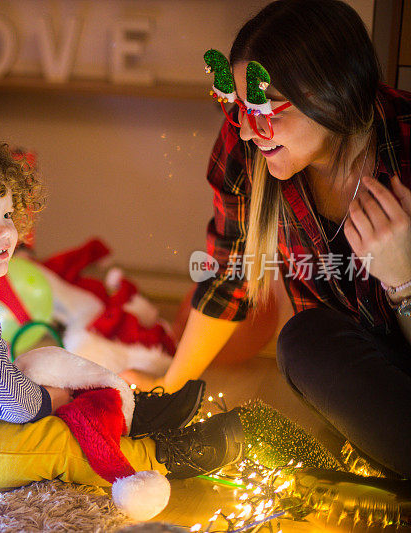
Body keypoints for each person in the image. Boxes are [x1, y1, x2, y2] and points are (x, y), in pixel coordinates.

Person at [0, 126, 244, 493]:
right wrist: (51, 401)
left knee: (41, 373)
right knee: (58, 442)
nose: (6, 232)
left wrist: (49, 394)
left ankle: (129, 411)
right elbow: (6, 402)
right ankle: (162, 456)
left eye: (7, 214)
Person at [133, 0, 411, 478]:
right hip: (362, 379)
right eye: (238, 106)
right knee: (301, 341)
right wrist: (170, 392)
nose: (245, 129)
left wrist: (405, 283)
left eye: (262, 108)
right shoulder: (249, 149)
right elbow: (228, 275)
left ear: (331, 93)